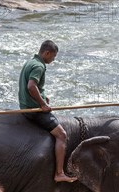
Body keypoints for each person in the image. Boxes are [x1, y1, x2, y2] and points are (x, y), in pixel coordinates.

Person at [19, 40, 76, 183]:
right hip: (34, 111)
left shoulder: (30, 62)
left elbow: (34, 86)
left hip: (25, 105)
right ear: (47, 53)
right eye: (53, 56)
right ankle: (59, 173)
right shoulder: (39, 66)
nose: (53, 59)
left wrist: (44, 97)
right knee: (62, 135)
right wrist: (42, 104)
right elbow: (31, 86)